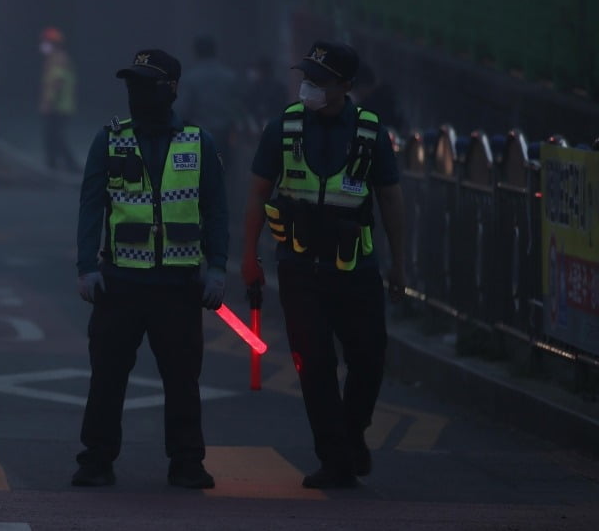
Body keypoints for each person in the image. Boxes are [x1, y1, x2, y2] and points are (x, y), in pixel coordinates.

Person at [240, 40, 406, 490]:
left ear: (346, 86)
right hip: (299, 270)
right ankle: (334, 458)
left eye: (321, 79)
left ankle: (351, 435)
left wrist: (400, 265)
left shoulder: (371, 132)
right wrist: (248, 258)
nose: (309, 86)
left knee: (368, 361)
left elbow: (390, 198)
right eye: (307, 76)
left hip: (358, 270)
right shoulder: (284, 126)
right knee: (313, 366)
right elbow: (257, 192)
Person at [72, 48, 229, 490]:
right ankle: (96, 460)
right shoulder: (109, 139)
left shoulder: (198, 143)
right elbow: (90, 206)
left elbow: (216, 210)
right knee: (107, 379)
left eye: (146, 84)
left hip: (178, 287)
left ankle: (186, 462)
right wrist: (87, 267)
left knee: (182, 380)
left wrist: (216, 268)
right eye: (131, 85)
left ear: (172, 89)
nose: (136, 93)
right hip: (120, 282)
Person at [177, 34, 240, 162]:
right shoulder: (230, 77)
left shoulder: (190, 78)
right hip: (225, 134)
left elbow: (183, 110)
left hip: (199, 134)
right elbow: (237, 107)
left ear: (196, 52)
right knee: (224, 172)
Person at [39, 26, 81, 173]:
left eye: (46, 42)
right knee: (52, 137)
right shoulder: (55, 58)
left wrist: (48, 102)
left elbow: (57, 82)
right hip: (60, 106)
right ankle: (52, 165)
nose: (43, 45)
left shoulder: (59, 59)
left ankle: (69, 166)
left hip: (59, 107)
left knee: (55, 137)